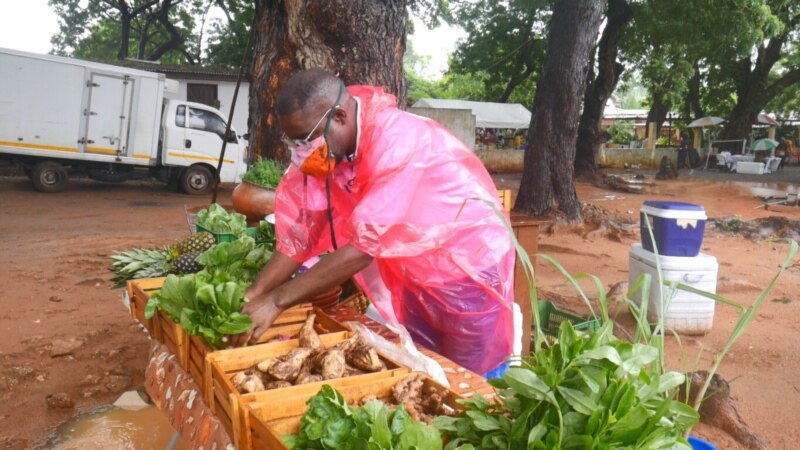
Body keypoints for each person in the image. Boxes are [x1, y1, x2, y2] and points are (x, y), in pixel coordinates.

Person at [232, 69, 515, 375]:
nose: (302, 151)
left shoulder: (399, 141)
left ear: (339, 116)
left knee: (469, 381)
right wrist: (255, 293)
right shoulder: (331, 150)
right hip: (412, 270)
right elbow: (300, 236)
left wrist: (276, 301)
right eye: (295, 141)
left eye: (307, 139)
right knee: (420, 366)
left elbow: (362, 246)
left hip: (467, 268)